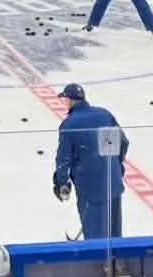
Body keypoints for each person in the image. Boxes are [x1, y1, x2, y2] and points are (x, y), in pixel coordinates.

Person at [53, 83, 128, 240]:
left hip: (90, 188)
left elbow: (63, 158)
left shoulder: (69, 124)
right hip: (112, 183)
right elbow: (123, 142)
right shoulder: (105, 114)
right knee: (115, 236)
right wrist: (116, 165)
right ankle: (118, 263)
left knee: (95, 239)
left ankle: (97, 264)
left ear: (69, 100)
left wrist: (61, 183)